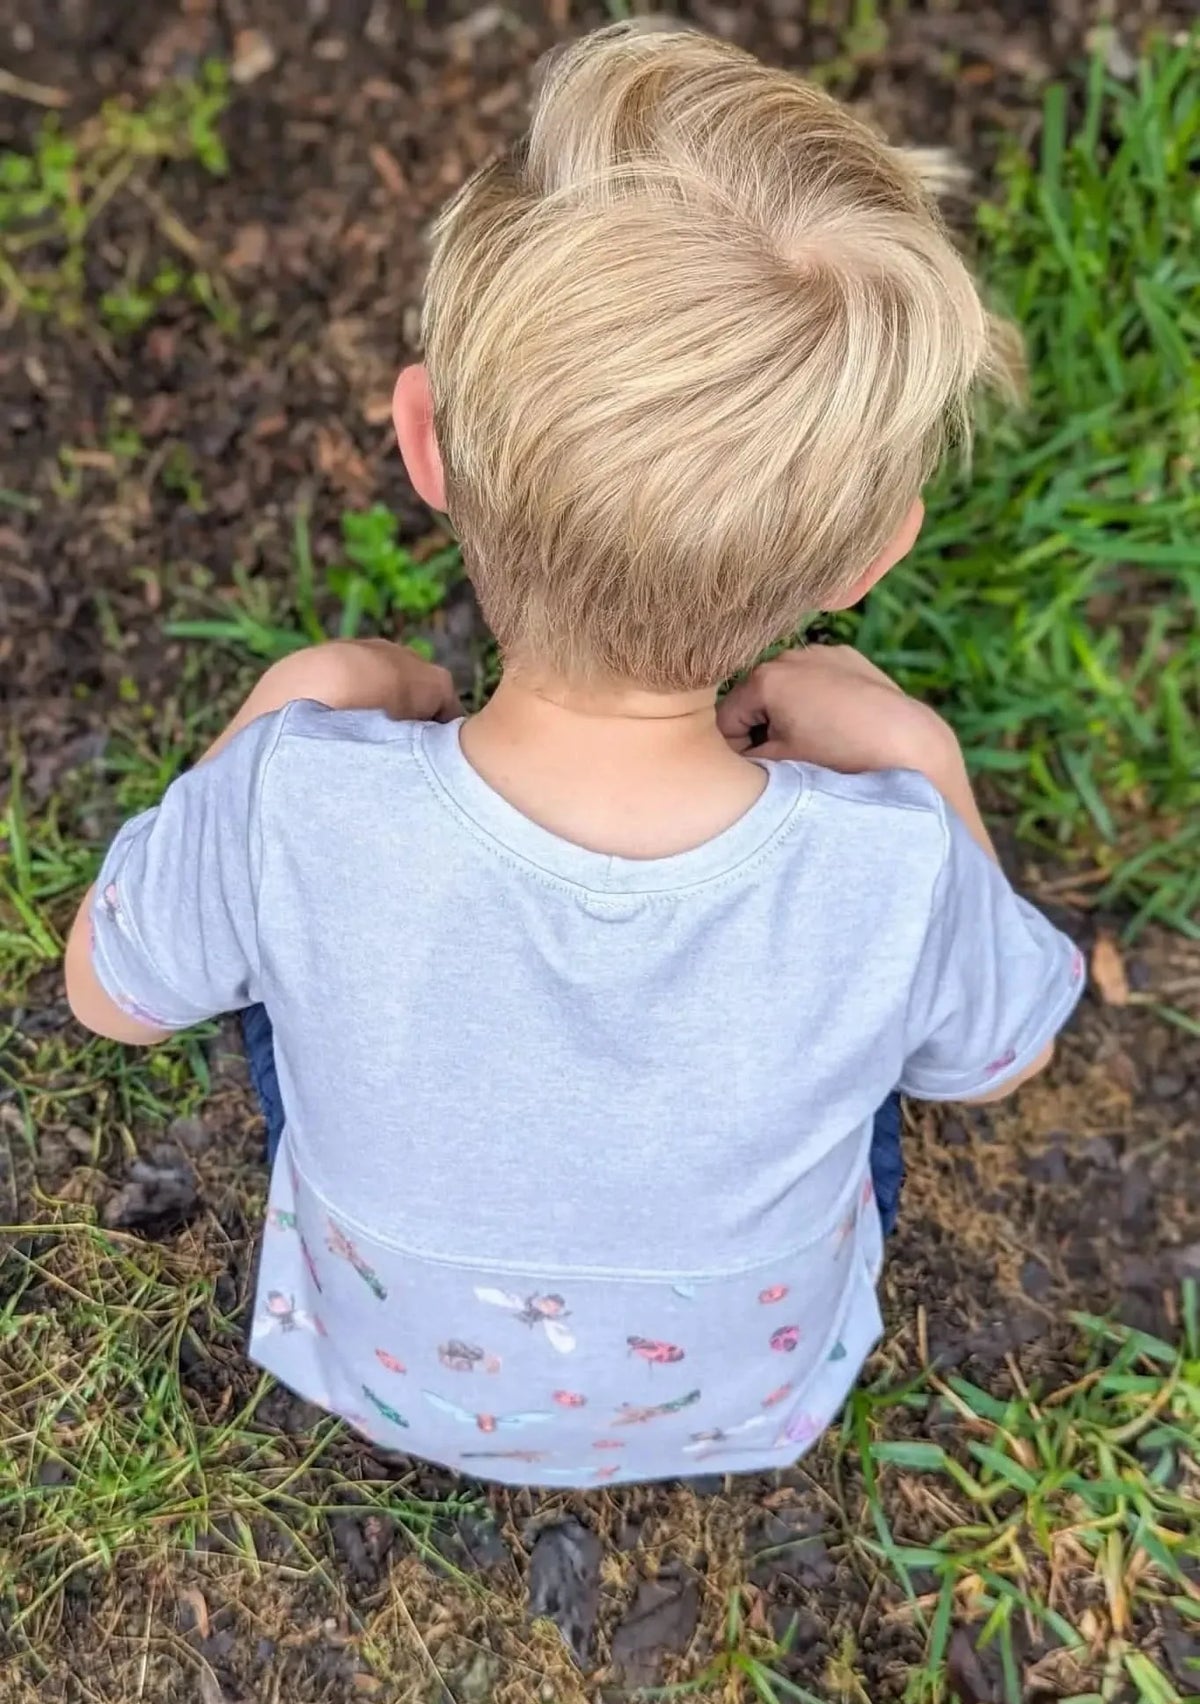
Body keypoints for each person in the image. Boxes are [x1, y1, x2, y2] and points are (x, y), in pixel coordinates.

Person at [64, 23, 1083, 1488]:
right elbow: (1000, 1054)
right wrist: (924, 756)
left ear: (424, 442)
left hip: (391, 1377)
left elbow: (108, 993)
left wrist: (295, 700)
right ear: (870, 555)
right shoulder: (894, 865)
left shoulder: (300, 803)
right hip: (749, 1396)